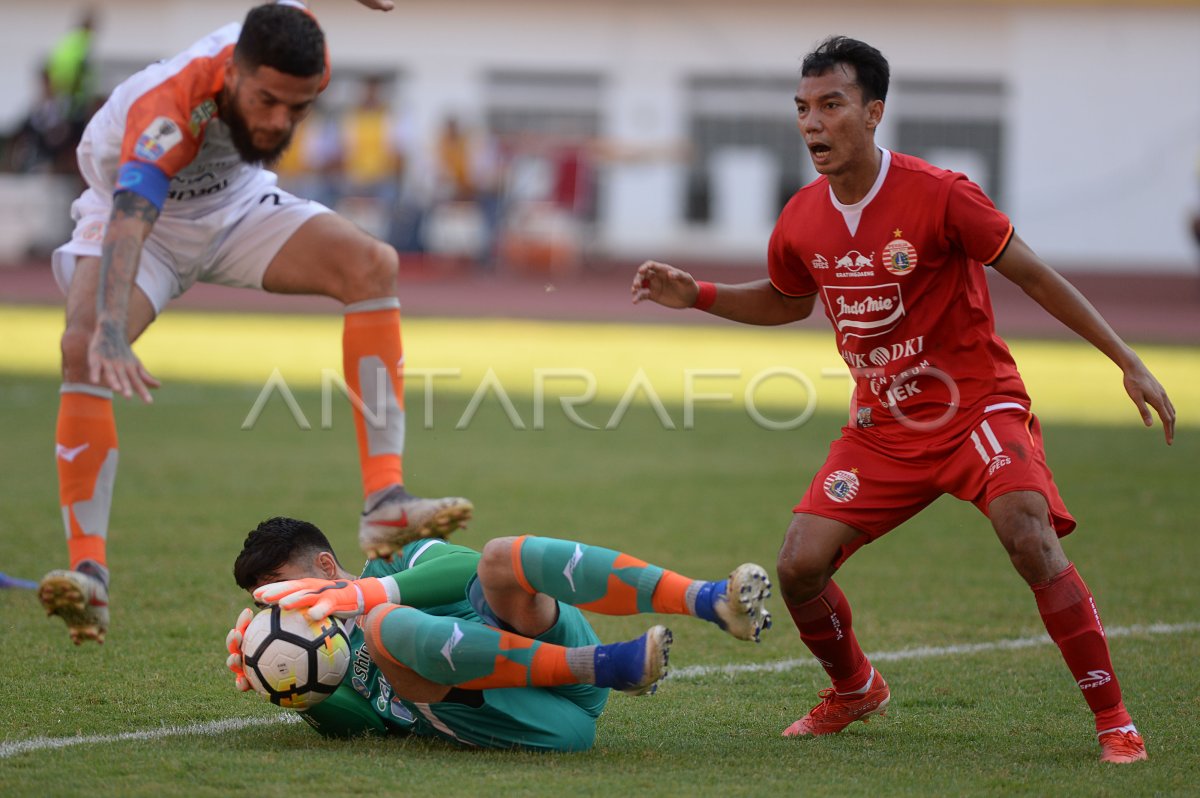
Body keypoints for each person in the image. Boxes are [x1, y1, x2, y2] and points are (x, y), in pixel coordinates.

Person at [630, 36, 1175, 765]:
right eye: (802, 108)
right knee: (798, 566)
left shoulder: (941, 194)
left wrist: (1126, 359)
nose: (812, 124)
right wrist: (694, 294)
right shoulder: (801, 218)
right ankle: (855, 688)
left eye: (831, 105)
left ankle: (1115, 720)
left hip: (975, 409)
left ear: (874, 112)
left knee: (1027, 530)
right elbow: (789, 301)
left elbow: (1035, 275)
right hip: (883, 426)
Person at [38, 0, 469, 647]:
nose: (279, 121)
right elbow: (131, 212)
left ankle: (385, 504)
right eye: (266, 101)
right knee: (82, 347)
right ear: (233, 74)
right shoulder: (168, 107)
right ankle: (90, 574)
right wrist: (108, 331)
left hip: (236, 207)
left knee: (372, 265)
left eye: (296, 108)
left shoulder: (303, 55)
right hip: (139, 221)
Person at [225, 516, 772, 751]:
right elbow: (365, 728)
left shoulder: (392, 559)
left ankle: (710, 600)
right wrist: (290, 685)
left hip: (556, 648)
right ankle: (610, 664)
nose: (269, 600)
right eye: (260, 594)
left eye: (275, 583)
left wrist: (367, 595)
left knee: (501, 556)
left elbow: (464, 567)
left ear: (324, 565)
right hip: (521, 719)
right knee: (386, 626)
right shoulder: (331, 655)